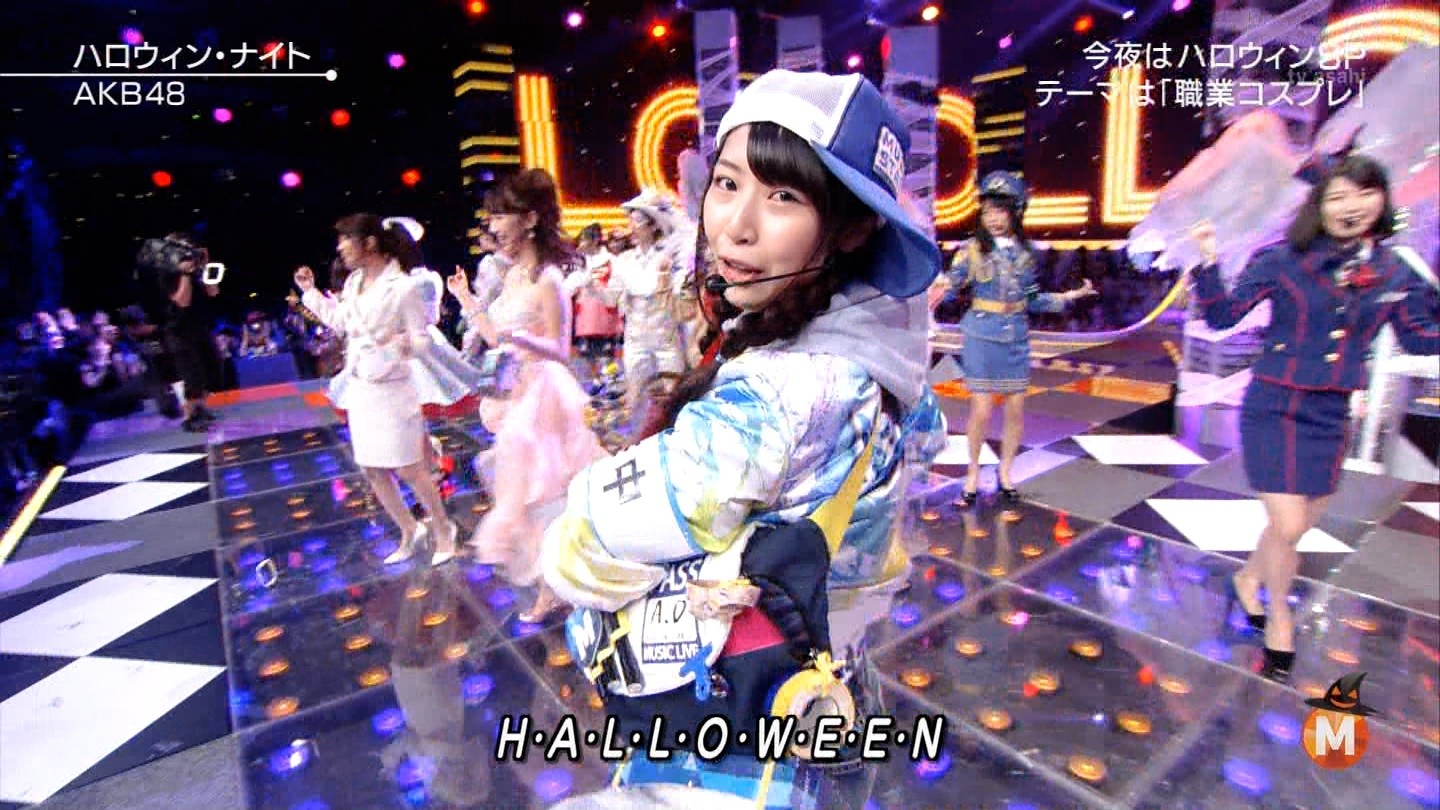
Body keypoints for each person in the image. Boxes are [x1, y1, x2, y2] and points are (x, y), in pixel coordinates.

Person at [541, 69, 947, 804]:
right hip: (822, 688)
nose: (737, 224)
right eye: (728, 184)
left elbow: (604, 527)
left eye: (784, 196)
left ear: (851, 229)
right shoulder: (875, 355)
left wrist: (564, 541)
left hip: (737, 741)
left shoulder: (787, 391)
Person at [1187, 154, 1438, 682]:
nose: (1352, 206)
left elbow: (1420, 338)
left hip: (1331, 413)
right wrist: (1207, 260)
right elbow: (1222, 316)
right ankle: (1278, 613)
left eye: (1364, 194)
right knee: (1288, 524)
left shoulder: (1394, 271)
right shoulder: (1282, 260)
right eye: (1338, 196)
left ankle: (1247, 579)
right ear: (1319, 205)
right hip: (1274, 406)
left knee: (1293, 529)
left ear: (1382, 200)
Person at [446, 168, 606, 623]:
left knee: (544, 490)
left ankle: (564, 580)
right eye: (492, 217)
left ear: (530, 220)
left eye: (501, 215)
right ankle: (551, 584)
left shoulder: (549, 279)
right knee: (527, 491)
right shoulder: (514, 274)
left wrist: (520, 338)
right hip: (517, 391)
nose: (493, 225)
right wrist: (467, 301)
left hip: (546, 393)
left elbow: (560, 347)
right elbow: (495, 335)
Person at [294, 215, 458, 566]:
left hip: (393, 389)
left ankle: (444, 530)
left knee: (410, 468)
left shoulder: (403, 287)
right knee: (371, 468)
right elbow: (340, 322)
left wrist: (401, 344)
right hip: (361, 388)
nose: (340, 247)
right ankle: (409, 529)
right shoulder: (353, 282)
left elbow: (422, 339)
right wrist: (310, 293)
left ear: (369, 243)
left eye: (346, 239)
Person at [930, 172, 1097, 503]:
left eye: (1000, 211)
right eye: (988, 212)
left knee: (1016, 410)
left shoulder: (1026, 254)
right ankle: (973, 473)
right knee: (980, 410)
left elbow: (1033, 299)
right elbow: (949, 288)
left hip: (1016, 337)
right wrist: (933, 289)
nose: (993, 219)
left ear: (1015, 212)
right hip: (980, 335)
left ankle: (1005, 473)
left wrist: (1069, 297)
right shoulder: (971, 250)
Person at [604, 189, 688, 417]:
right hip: (636, 340)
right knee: (637, 402)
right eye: (630, 221)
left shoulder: (667, 259)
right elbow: (610, 299)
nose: (632, 227)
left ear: (652, 226)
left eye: (638, 221)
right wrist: (593, 286)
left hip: (665, 339)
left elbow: (676, 296)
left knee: (671, 403)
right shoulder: (624, 261)